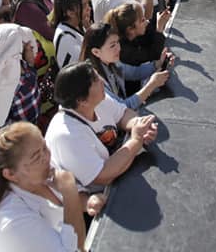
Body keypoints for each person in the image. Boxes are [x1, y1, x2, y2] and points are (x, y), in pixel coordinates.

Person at [0, 122, 87, 252]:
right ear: (10, 174)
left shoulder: (37, 175)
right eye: (36, 157)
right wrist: (70, 193)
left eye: (45, 147)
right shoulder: (13, 223)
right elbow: (74, 249)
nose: (47, 157)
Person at [45, 62, 158, 195]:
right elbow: (103, 176)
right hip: (96, 204)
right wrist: (136, 139)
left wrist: (139, 124)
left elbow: (123, 114)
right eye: (96, 80)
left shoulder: (98, 99)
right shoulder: (67, 134)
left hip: (120, 178)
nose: (103, 82)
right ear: (82, 101)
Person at [81, 21, 171, 109]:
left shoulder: (111, 61)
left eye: (118, 42)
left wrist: (158, 63)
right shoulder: (94, 81)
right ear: (96, 52)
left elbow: (135, 73)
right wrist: (151, 85)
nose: (118, 48)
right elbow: (121, 108)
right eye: (112, 46)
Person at [52, 0, 90, 70]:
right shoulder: (66, 38)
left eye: (88, 3)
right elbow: (82, 64)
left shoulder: (79, 24)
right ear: (70, 13)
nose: (88, 8)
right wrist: (90, 32)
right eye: (84, 5)